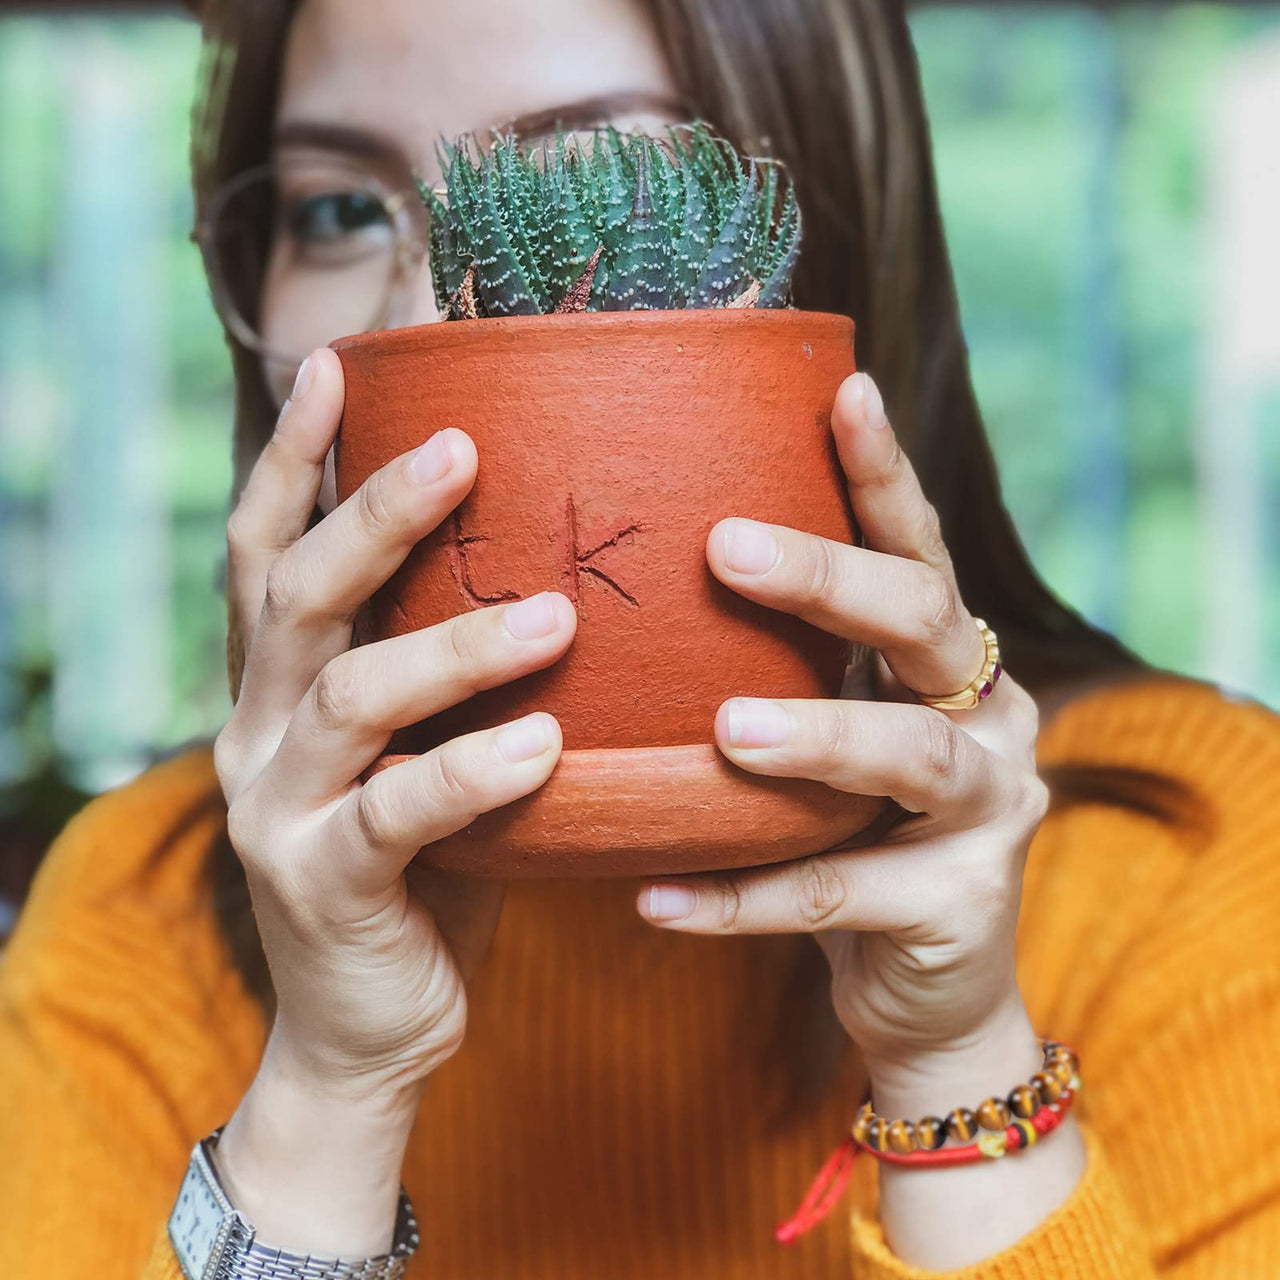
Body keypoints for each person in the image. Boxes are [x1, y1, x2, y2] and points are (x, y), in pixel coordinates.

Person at [2, 0, 1278, 1275]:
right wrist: (331, 1086)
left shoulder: (1203, 846)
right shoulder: (139, 908)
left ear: (826, 248)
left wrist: (954, 1061)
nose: (430, 308)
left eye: (593, 175)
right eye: (337, 208)